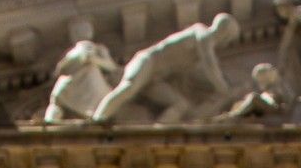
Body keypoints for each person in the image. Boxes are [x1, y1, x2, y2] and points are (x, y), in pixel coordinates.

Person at [92, 13, 240, 124]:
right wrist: (225, 89)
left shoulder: (197, 54)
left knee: (181, 105)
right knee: (129, 88)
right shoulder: (202, 33)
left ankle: (158, 135)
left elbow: (197, 78)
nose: (225, 44)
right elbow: (210, 64)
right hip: (148, 62)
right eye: (229, 39)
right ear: (225, 33)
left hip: (156, 79)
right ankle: (97, 119)